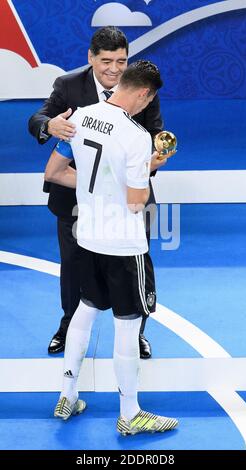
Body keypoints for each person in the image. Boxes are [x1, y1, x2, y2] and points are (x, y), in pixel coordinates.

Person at [45, 60, 178, 434]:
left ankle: (68, 396)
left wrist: (99, 185)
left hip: (86, 237)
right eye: (148, 101)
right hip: (123, 245)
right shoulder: (136, 137)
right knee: (127, 325)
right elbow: (136, 201)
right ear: (143, 94)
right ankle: (130, 412)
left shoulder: (82, 116)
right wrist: (151, 165)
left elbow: (54, 173)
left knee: (85, 312)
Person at [29, 26, 165, 359]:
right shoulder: (68, 86)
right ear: (91, 58)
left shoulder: (141, 90)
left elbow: (154, 134)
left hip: (127, 203)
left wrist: (152, 161)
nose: (115, 69)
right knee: (74, 265)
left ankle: (137, 335)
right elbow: (37, 118)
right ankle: (67, 327)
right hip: (76, 202)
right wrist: (49, 126)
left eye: (121, 60)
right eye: (106, 61)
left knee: (136, 267)